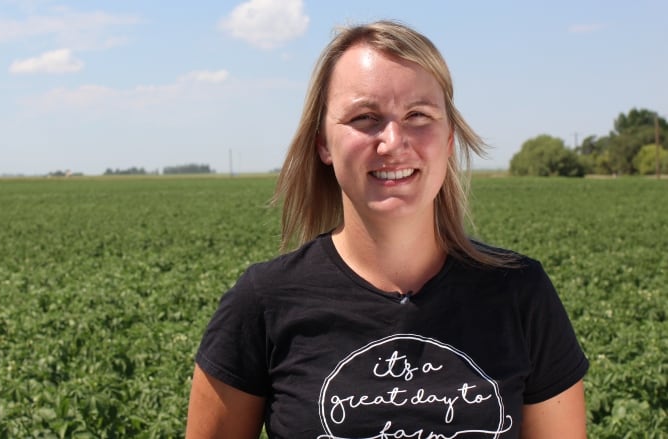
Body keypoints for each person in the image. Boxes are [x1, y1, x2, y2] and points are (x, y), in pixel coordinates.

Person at [186, 20, 588, 439]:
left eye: (418, 115)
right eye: (365, 118)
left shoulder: (521, 295)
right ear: (323, 142)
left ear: (449, 138)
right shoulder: (262, 304)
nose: (393, 141)